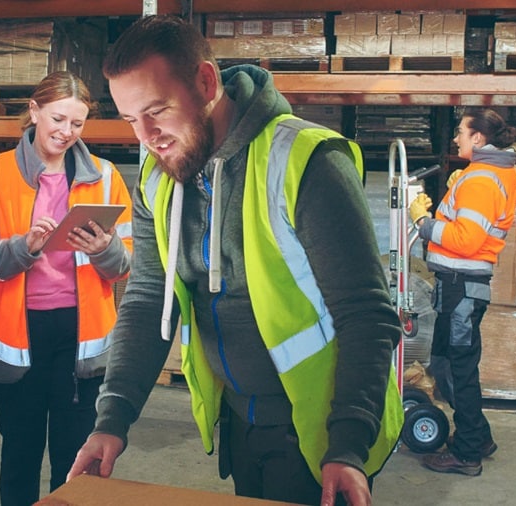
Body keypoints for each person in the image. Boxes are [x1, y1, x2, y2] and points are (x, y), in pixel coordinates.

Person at [66, 15, 403, 506]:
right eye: (130, 119)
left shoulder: (306, 162)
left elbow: (367, 315)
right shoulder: (158, 181)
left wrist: (348, 443)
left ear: (206, 83)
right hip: (240, 423)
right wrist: (112, 420)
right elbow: (145, 302)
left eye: (158, 110)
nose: (147, 136)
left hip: (322, 433)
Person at [0, 70, 133, 505]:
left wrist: (104, 249)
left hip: (81, 341)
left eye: (77, 124)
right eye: (58, 119)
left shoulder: (104, 177)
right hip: (15, 336)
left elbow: (125, 263)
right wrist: (19, 247)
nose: (66, 132)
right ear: (34, 111)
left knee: (74, 458)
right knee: (21, 455)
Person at [409, 108, 516, 476]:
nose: (455, 137)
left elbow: (465, 239)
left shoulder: (482, 179)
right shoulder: (487, 173)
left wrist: (421, 222)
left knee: (457, 369)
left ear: (479, 139)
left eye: (461, 132)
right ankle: (479, 436)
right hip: (460, 287)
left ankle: (468, 452)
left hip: (461, 287)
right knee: (446, 364)